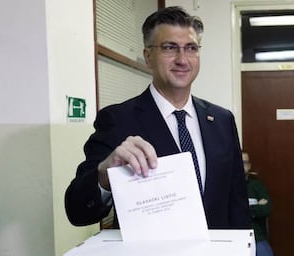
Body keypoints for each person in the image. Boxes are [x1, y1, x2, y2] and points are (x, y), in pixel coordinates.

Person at [64, 6, 249, 230]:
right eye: (170, 48)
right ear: (148, 56)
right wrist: (104, 175)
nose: (182, 59)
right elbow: (77, 211)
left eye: (191, 48)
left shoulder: (221, 120)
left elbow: (237, 204)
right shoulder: (117, 119)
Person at [242, 151, 275, 256]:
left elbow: (267, 208)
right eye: (239, 162)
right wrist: (255, 208)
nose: (242, 165)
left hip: (257, 236)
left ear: (249, 166)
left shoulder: (257, 186)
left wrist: (245, 210)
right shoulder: (229, 186)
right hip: (237, 235)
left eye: (245, 162)